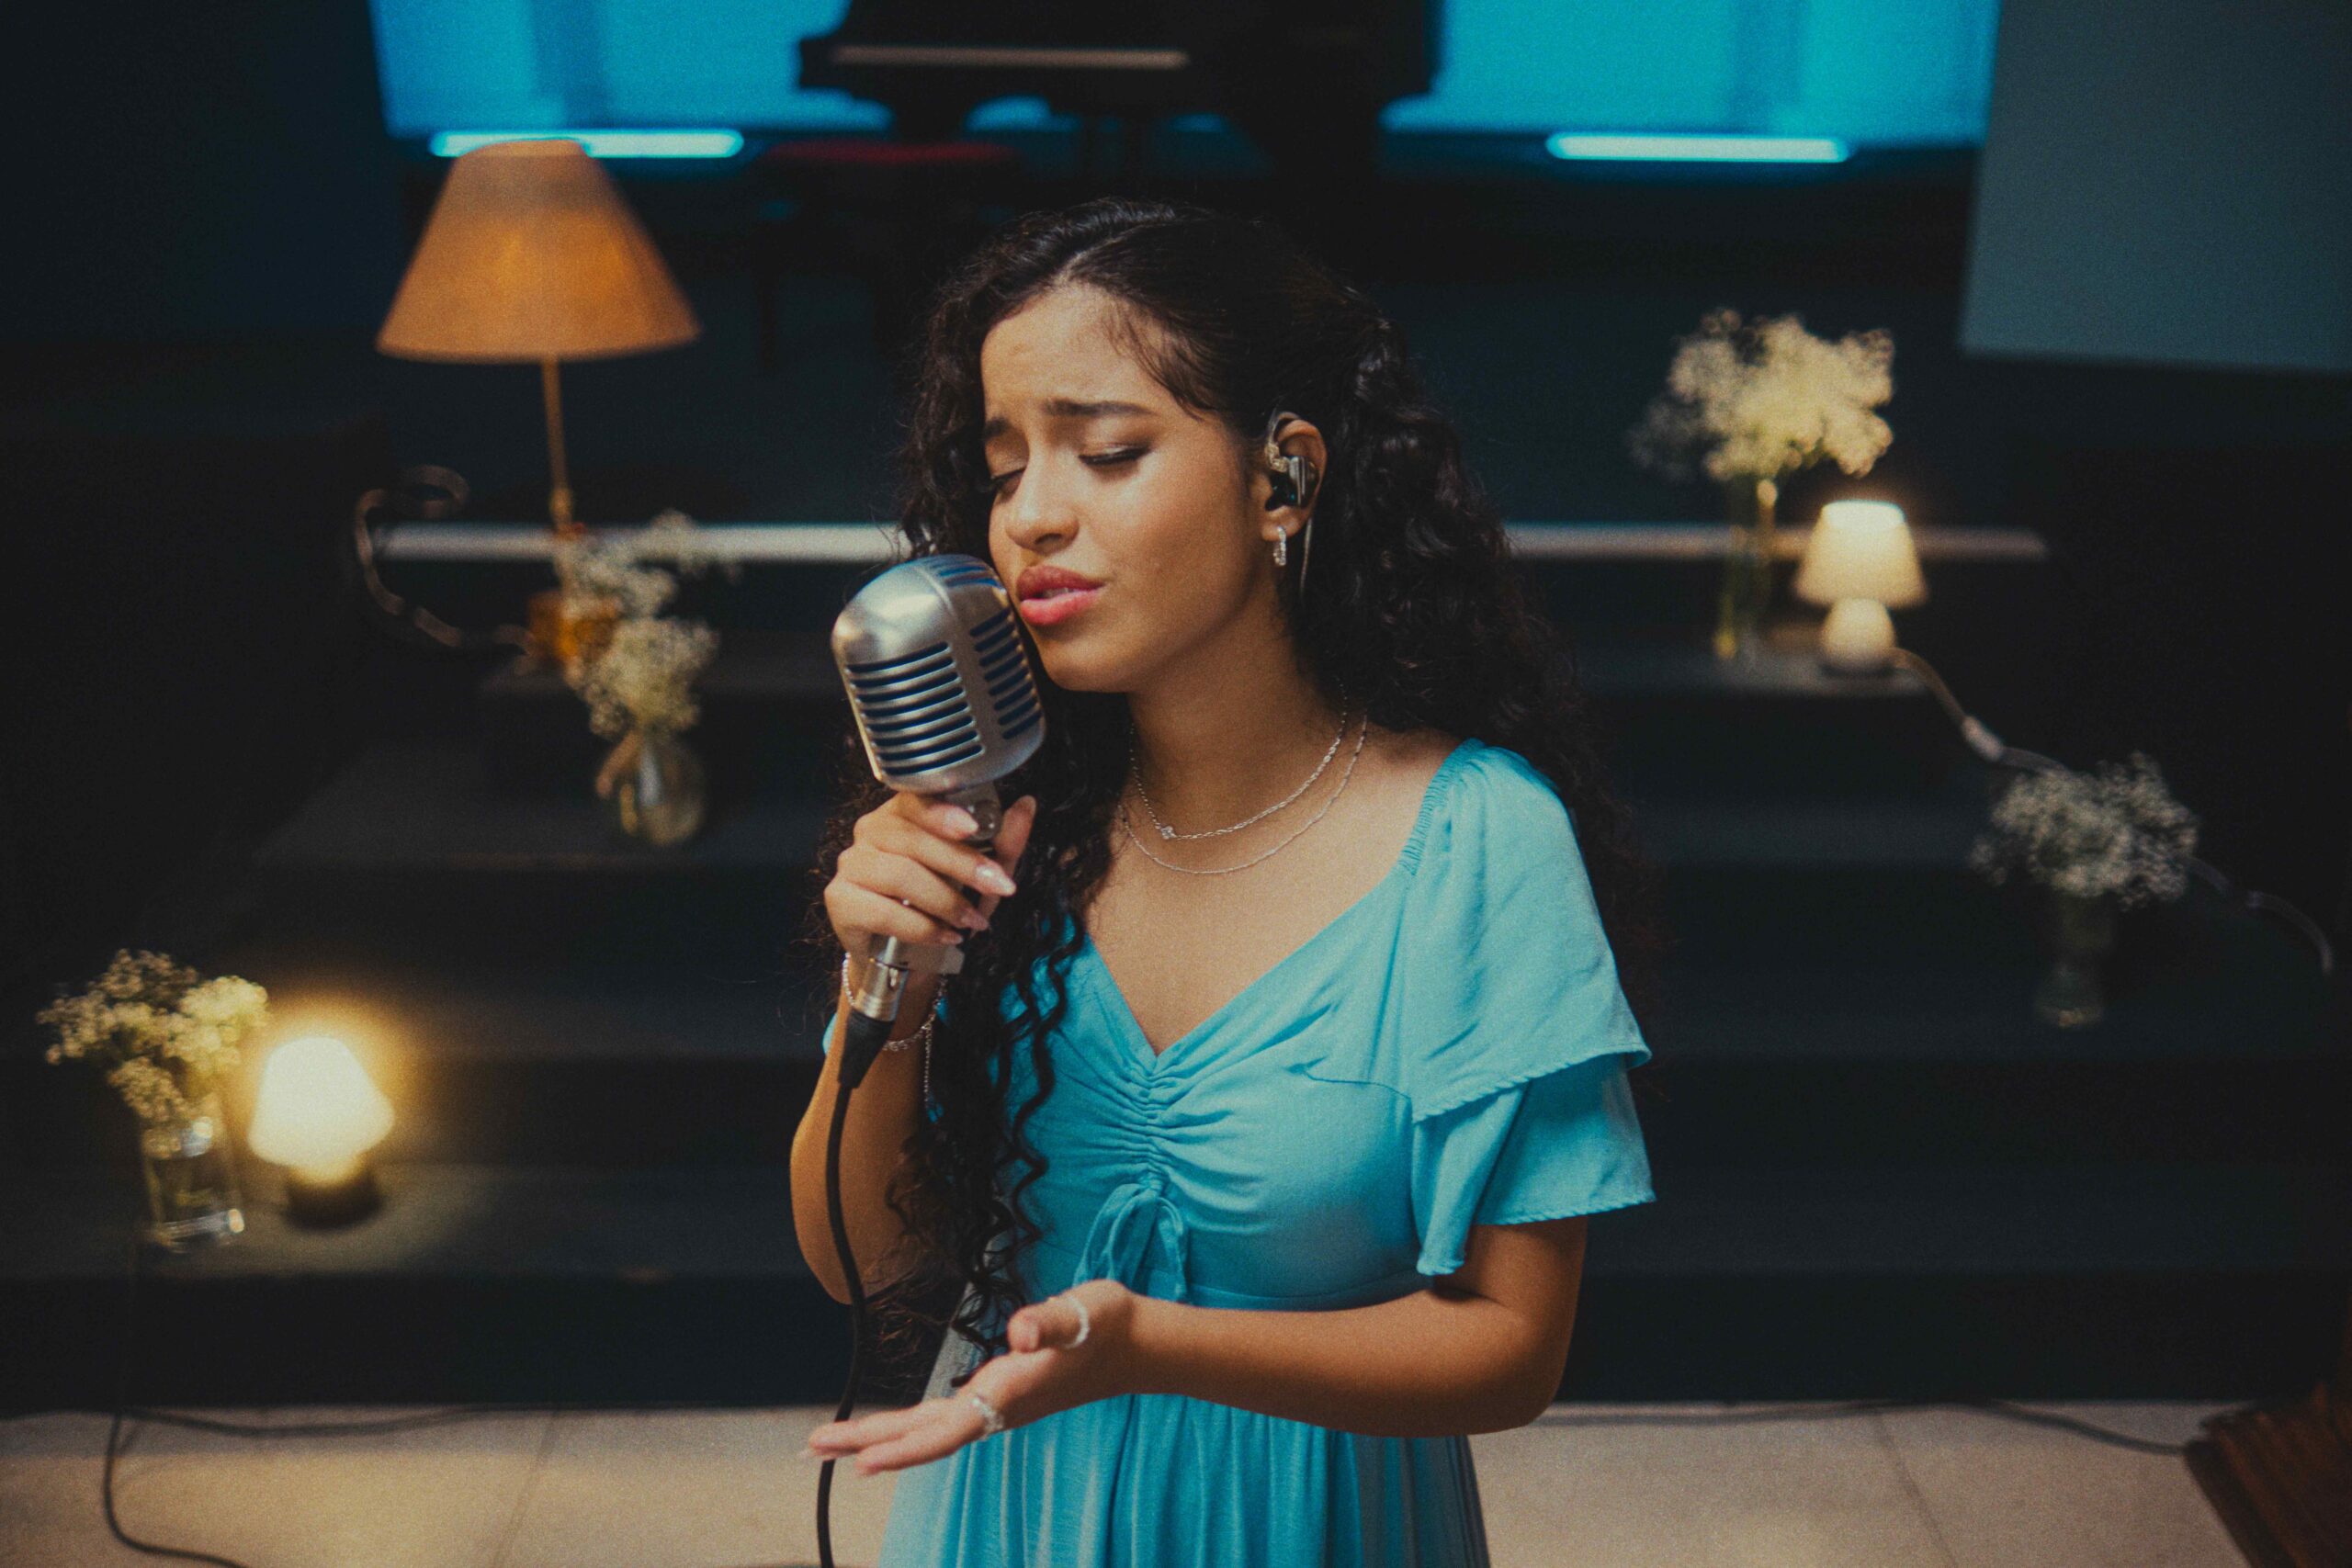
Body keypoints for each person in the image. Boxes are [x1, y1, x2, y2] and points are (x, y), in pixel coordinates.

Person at [788, 196, 1665, 1567]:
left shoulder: (1481, 840)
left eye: (1108, 452)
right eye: (1005, 468)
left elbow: (1513, 1350)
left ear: (1284, 480)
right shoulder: (1002, 829)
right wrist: (882, 990)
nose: (1032, 518)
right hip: (1009, 1518)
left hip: (1312, 1525)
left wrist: (1152, 1345)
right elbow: (861, 1261)